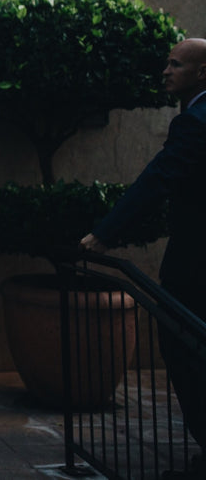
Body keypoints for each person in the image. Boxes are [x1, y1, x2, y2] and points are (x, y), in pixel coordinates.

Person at [81, 37, 206, 478]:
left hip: (195, 263)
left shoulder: (194, 123)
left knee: (185, 348)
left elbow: (158, 180)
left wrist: (104, 233)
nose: (165, 71)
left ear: (201, 73)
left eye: (175, 64)